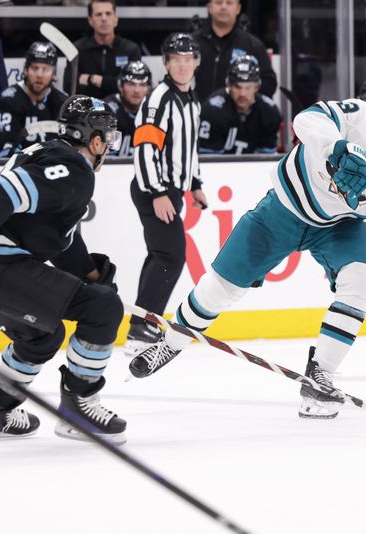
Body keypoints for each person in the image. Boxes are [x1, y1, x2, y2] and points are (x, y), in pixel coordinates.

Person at [128, 81, 366, 421]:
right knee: (218, 290)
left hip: (341, 226)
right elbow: (307, 119)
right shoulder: (356, 118)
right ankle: (169, 343)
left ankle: (319, 376)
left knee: (363, 280)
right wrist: (338, 148)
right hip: (282, 213)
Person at [0, 95, 127, 443]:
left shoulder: (46, 153)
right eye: (108, 139)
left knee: (41, 335)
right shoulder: (74, 168)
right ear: (95, 140)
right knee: (103, 308)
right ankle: (77, 408)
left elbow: (60, 242)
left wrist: (90, 274)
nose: (109, 147)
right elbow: (5, 189)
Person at [125, 33, 208, 357]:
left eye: (188, 59)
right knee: (172, 255)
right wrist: (157, 192)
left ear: (196, 62)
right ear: (166, 63)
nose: (183, 65)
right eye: (177, 59)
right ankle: (142, 326)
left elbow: (189, 149)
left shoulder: (192, 100)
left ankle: (143, 321)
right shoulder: (159, 99)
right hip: (152, 189)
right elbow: (144, 148)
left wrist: (196, 183)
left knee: (161, 255)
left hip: (170, 190)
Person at [193, 0, 277, 103]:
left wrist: (244, 101)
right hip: (196, 114)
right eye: (218, 2)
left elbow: (269, 83)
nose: (223, 7)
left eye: (229, 3)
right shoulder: (193, 44)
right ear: (209, 7)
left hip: (238, 117)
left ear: (238, 8)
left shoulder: (252, 45)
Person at [199, 55, 281, 155]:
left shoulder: (269, 113)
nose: (242, 93)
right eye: (237, 87)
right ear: (228, 85)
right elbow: (209, 162)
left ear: (257, 87)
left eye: (248, 87)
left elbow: (265, 160)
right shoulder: (212, 112)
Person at [0, 41, 69, 148]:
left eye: (46, 69)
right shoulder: (7, 102)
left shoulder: (63, 104)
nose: (39, 75)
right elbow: (4, 149)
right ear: (25, 70)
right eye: (35, 68)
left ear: (54, 74)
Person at [63, 0, 141, 100]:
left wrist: (91, 79)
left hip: (121, 110)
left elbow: (133, 87)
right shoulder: (77, 49)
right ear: (90, 20)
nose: (104, 18)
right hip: (86, 110)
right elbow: (69, 85)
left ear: (115, 19)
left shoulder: (130, 49)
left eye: (108, 14)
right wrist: (113, 84)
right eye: (99, 14)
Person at [105, 60, 152, 157]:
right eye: (131, 84)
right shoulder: (108, 110)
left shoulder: (154, 110)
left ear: (148, 89)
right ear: (120, 86)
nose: (136, 90)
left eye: (142, 85)